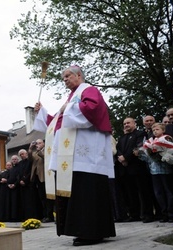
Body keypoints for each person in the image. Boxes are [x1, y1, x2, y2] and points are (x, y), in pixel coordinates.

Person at [33, 65, 115, 246]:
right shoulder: (74, 96)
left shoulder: (89, 90)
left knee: (86, 190)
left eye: (68, 76)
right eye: (63, 78)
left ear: (79, 75)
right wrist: (43, 113)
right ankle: (87, 230)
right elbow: (58, 122)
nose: (65, 80)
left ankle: (90, 232)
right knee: (79, 190)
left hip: (86, 154)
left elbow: (92, 109)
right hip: (73, 157)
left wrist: (67, 108)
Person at [116, 117, 155, 223]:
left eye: (128, 122)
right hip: (125, 169)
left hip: (138, 168)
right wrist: (120, 158)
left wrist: (126, 158)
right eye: (124, 123)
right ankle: (134, 215)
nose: (126, 125)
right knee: (130, 193)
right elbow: (118, 149)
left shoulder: (140, 134)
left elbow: (138, 147)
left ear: (134, 123)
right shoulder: (122, 138)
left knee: (143, 192)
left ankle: (148, 214)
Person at [138, 123, 173, 222]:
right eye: (153, 129)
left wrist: (163, 156)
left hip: (165, 170)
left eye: (157, 129)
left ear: (163, 130)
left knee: (169, 192)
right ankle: (164, 214)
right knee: (158, 193)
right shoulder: (150, 141)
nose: (155, 131)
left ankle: (171, 214)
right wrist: (141, 154)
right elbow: (147, 157)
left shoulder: (167, 139)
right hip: (154, 171)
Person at [28, 139, 54, 223]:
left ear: (44, 144)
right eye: (36, 143)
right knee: (42, 198)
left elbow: (46, 158)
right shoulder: (35, 153)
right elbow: (30, 159)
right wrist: (30, 149)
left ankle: (50, 216)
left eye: (39, 143)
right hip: (37, 178)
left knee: (47, 198)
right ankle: (45, 215)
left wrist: (39, 151)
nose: (37, 145)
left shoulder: (48, 150)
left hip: (45, 177)